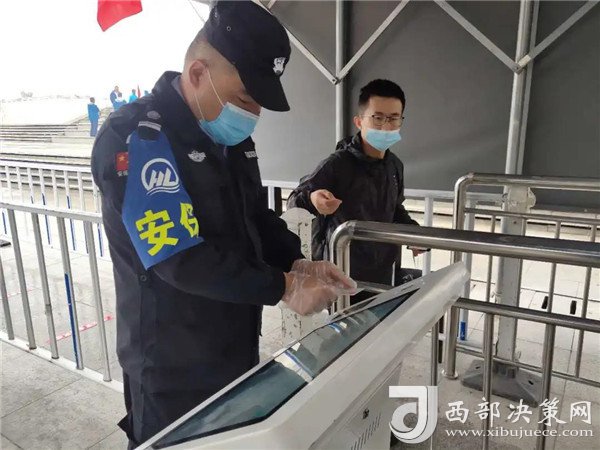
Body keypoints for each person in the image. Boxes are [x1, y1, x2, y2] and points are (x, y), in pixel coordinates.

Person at [91, 2, 355, 447]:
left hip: (234, 346)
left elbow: (255, 215)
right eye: (245, 99)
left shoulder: (228, 138)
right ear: (198, 73)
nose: (253, 115)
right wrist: (284, 286)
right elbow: (179, 258)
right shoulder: (139, 138)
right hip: (171, 367)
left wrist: (297, 261)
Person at [288, 79, 423, 304]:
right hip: (342, 271)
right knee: (343, 324)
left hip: (382, 270)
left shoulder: (394, 166)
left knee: (377, 321)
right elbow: (295, 200)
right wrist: (314, 200)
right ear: (359, 121)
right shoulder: (338, 164)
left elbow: (395, 209)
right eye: (378, 118)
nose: (386, 126)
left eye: (393, 118)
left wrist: (413, 233)